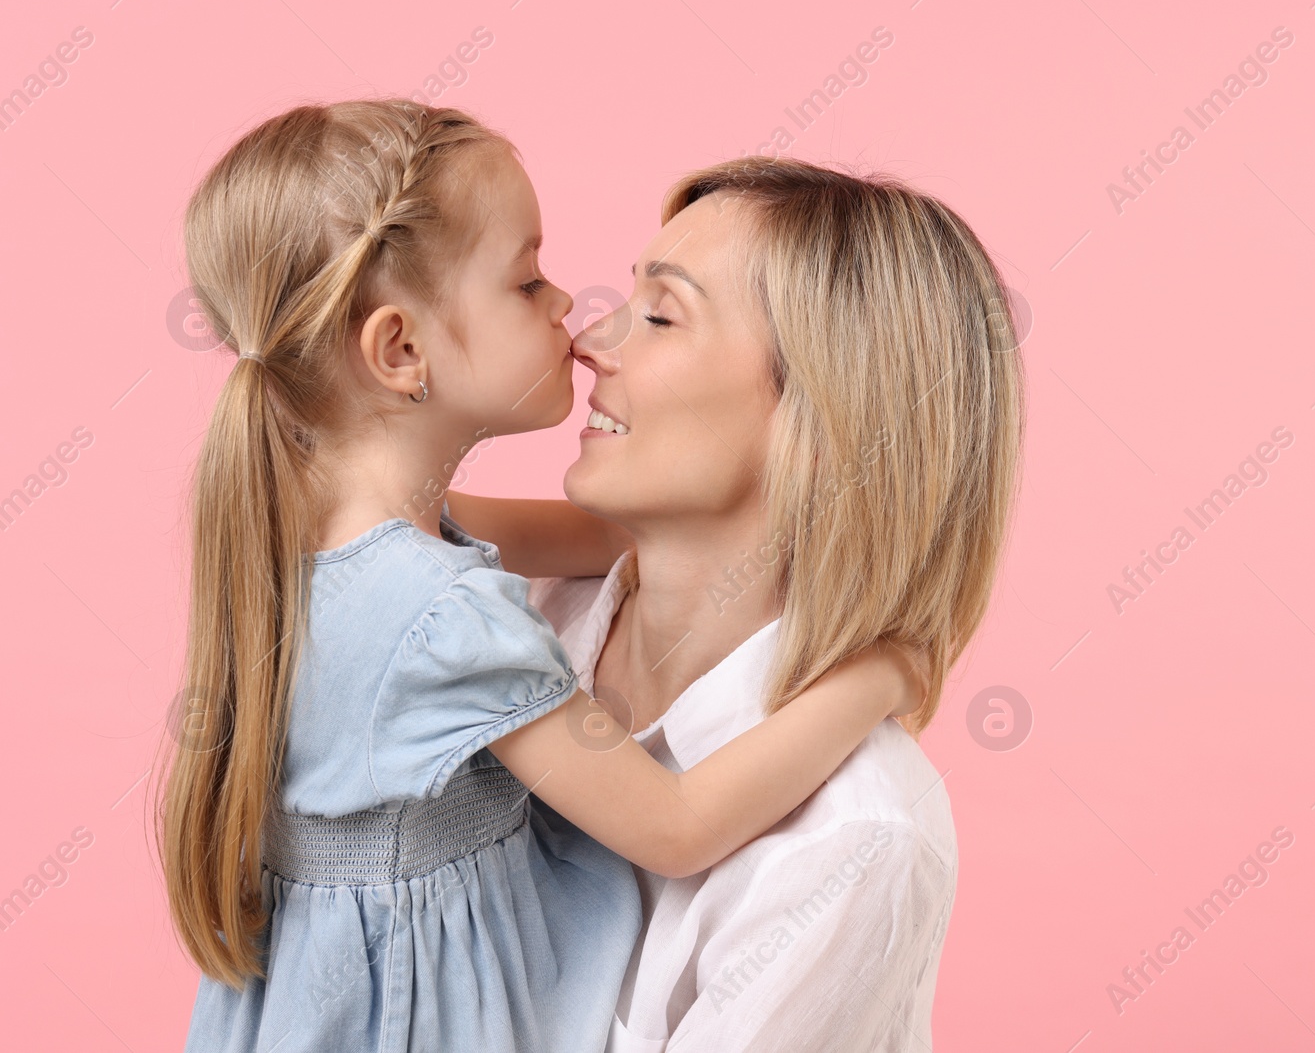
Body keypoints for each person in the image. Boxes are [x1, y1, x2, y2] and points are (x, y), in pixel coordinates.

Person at [158, 100, 922, 1053]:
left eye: (659, 314)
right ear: (400, 351)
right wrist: (883, 671)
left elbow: (602, 539)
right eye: (527, 282)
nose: (575, 314)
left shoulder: (315, 535)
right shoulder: (446, 617)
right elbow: (678, 829)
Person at [449, 156, 1025, 1050]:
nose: (591, 339)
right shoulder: (502, 613)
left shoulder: (851, 844)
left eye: (662, 315)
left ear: (825, 425)